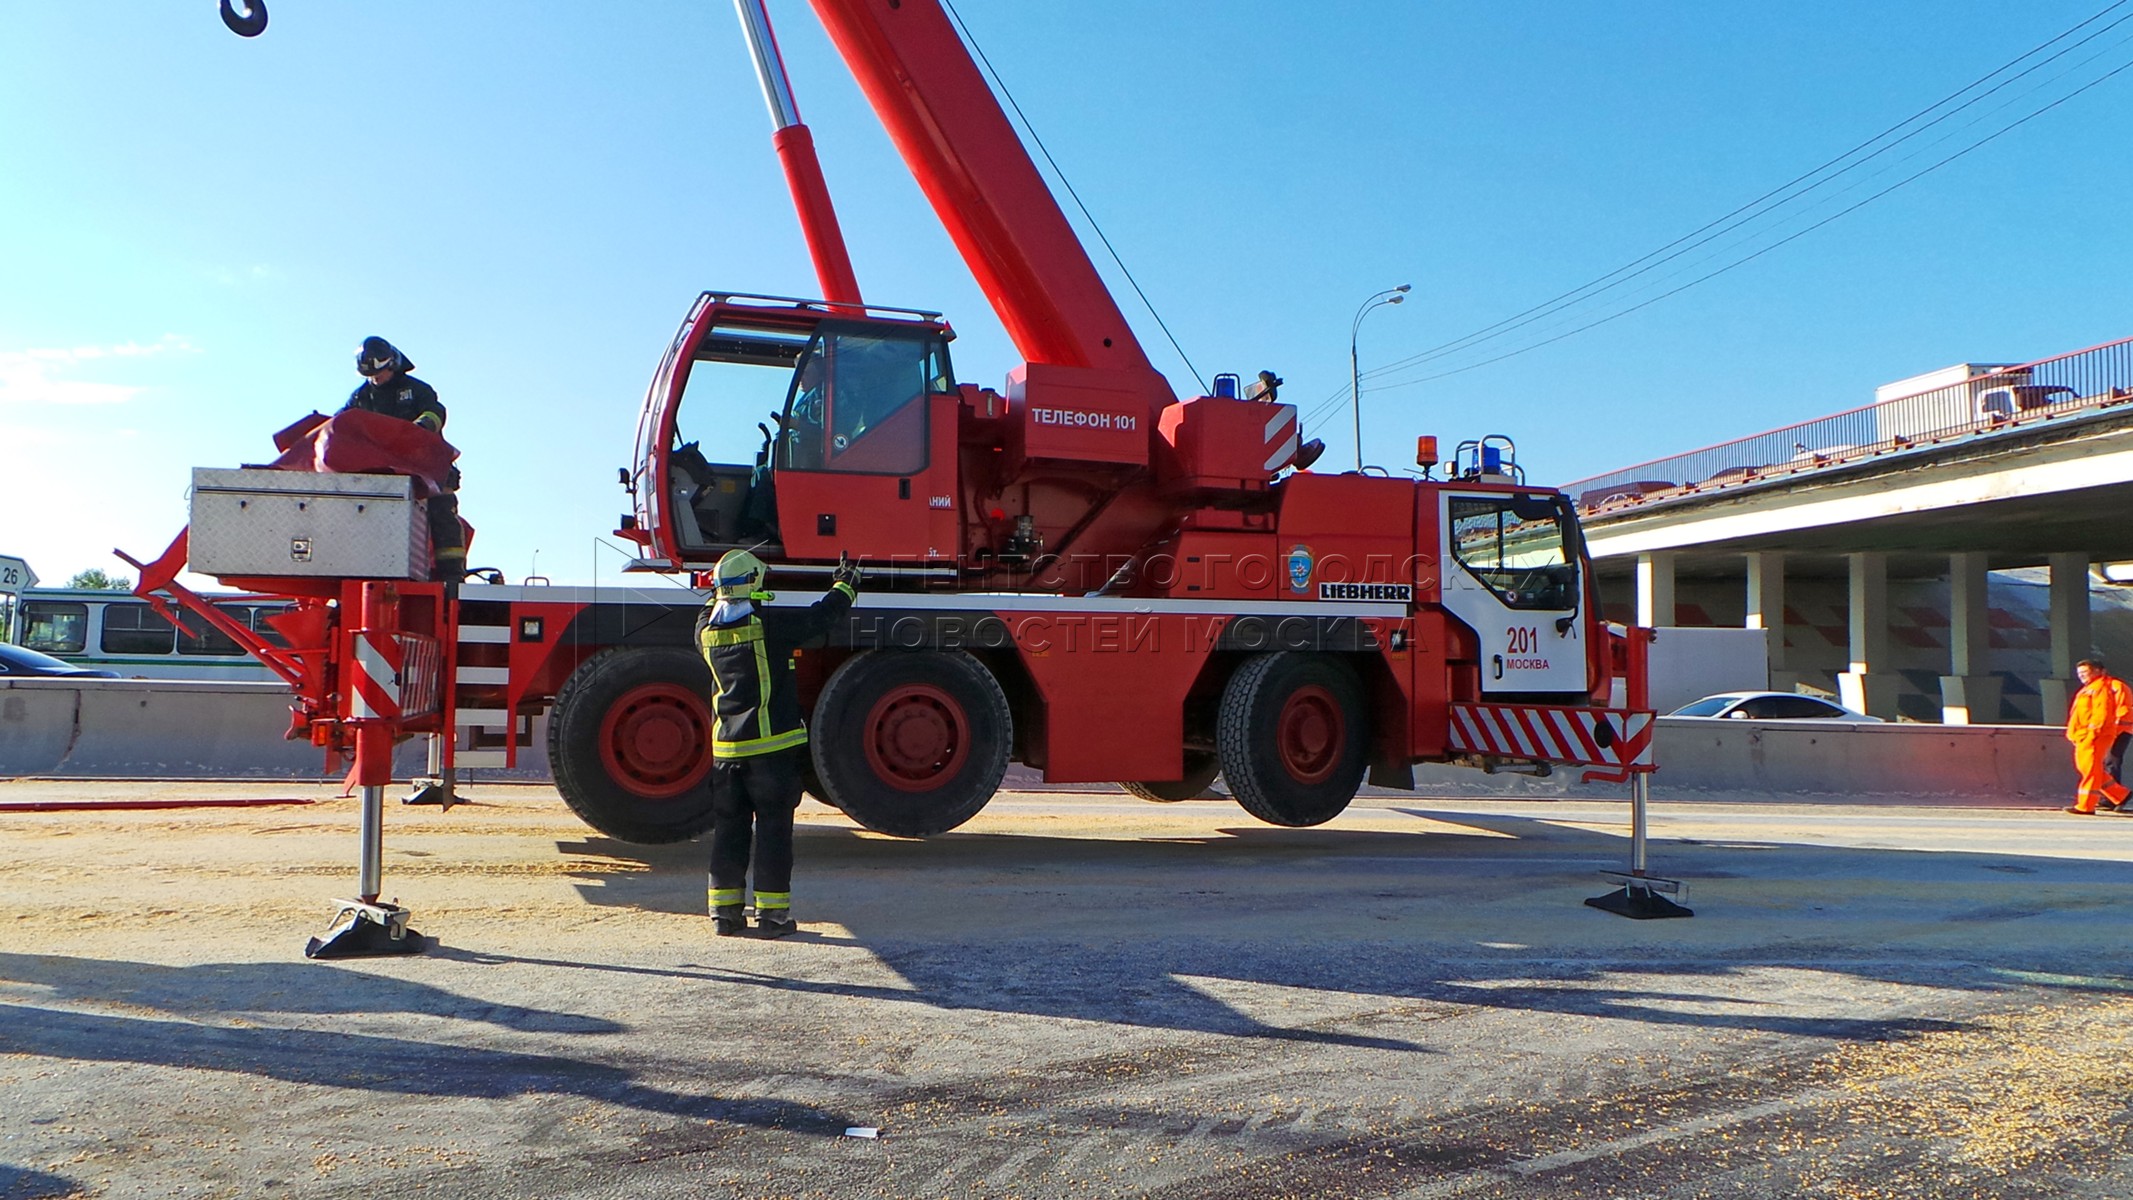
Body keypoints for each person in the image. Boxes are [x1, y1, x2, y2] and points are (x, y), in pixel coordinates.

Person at [696, 548, 859, 937]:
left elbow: (709, 607)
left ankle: (725, 915)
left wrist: (717, 586)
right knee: (772, 833)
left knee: (729, 832)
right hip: (771, 753)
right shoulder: (771, 627)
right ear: (753, 585)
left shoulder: (703, 630)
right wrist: (847, 584)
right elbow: (823, 616)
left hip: (726, 756)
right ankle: (773, 917)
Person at [343, 337, 466, 586]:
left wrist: (419, 429)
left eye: (380, 374)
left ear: (392, 364)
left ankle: (452, 576)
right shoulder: (361, 397)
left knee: (442, 511)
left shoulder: (417, 390)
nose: (376, 379)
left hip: (426, 463)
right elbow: (342, 425)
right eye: (372, 376)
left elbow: (435, 413)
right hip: (385, 471)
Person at [2062, 656, 2132, 814]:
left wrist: (2093, 733)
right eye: (2079, 673)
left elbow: (2102, 713)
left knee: (2092, 770)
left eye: (2085, 672)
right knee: (2088, 768)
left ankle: (2085, 806)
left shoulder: (2102, 687)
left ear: (2098, 672)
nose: (2081, 676)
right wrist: (2073, 734)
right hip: (2083, 735)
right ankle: (2120, 795)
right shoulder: (2089, 688)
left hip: (2093, 735)